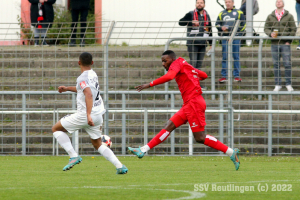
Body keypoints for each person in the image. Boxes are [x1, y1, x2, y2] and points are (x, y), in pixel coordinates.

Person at [128, 50, 240, 171]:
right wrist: (191, 74)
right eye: (162, 61)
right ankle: (143, 150)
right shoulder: (184, 65)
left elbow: (170, 76)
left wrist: (148, 84)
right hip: (189, 104)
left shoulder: (177, 63)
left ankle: (230, 152)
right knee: (168, 125)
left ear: (172, 59)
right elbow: (204, 75)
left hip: (194, 103)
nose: (163, 64)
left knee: (200, 137)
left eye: (165, 61)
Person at [52, 52, 128, 174]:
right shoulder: (93, 74)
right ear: (92, 63)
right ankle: (120, 166)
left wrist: (88, 115)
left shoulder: (82, 78)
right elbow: (82, 89)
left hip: (86, 115)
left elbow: (88, 93)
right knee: (98, 143)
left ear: (78, 62)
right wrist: (66, 88)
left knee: (56, 129)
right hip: (98, 114)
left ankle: (73, 156)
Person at [179, 0, 212, 90]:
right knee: (193, 64)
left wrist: (211, 43)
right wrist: (191, 22)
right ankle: (191, 84)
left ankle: (197, 84)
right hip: (192, 43)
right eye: (198, 3)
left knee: (199, 65)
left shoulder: (207, 15)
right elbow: (180, 22)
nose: (199, 4)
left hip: (203, 43)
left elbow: (210, 29)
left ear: (204, 4)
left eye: (201, 3)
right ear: (195, 4)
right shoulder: (190, 14)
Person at [264, 0, 296, 92]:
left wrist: (288, 40)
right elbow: (266, 28)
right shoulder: (270, 16)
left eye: (280, 1)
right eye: (277, 1)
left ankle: (288, 84)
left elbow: (293, 29)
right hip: (274, 44)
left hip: (285, 43)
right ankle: (278, 84)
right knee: (276, 64)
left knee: (287, 64)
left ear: (283, 4)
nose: (278, 2)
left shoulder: (289, 16)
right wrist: (270, 34)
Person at [215, 0, 246, 83]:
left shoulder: (239, 12)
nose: (227, 4)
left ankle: (236, 75)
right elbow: (217, 24)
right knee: (225, 56)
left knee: (236, 56)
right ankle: (224, 76)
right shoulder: (222, 13)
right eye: (226, 2)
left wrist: (237, 33)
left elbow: (244, 24)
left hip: (235, 38)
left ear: (233, 3)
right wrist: (221, 28)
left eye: (229, 2)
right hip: (225, 38)